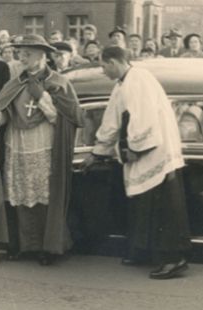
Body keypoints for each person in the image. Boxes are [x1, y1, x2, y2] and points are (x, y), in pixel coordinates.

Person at [79, 46, 191, 280]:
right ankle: (145, 251)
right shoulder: (123, 83)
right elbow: (112, 120)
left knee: (163, 207)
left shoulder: (139, 80)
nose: (103, 71)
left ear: (113, 62)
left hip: (156, 152)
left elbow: (145, 117)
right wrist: (97, 153)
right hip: (143, 153)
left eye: (103, 65)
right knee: (143, 205)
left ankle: (173, 259)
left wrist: (134, 148)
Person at [0, 34, 82, 265]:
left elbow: (63, 118)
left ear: (43, 55)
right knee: (19, 196)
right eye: (21, 53)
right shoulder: (15, 82)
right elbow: (4, 113)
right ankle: (22, 245)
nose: (22, 57)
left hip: (43, 142)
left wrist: (41, 96)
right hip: (16, 143)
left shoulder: (58, 82)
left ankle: (48, 247)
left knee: (43, 196)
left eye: (28, 53)